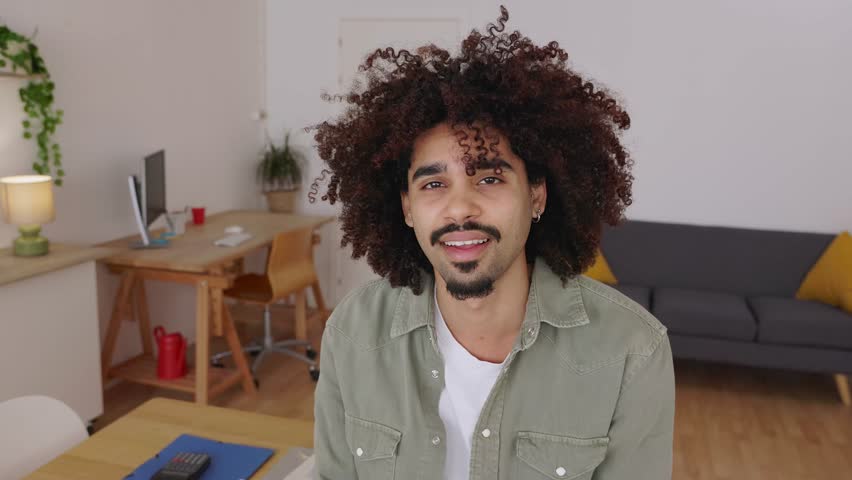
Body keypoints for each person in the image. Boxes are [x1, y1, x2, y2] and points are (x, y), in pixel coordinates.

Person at [308, 6, 674, 480]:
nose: (460, 209)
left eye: (488, 178)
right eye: (433, 185)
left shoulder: (631, 352)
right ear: (406, 209)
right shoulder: (352, 333)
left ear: (536, 195)